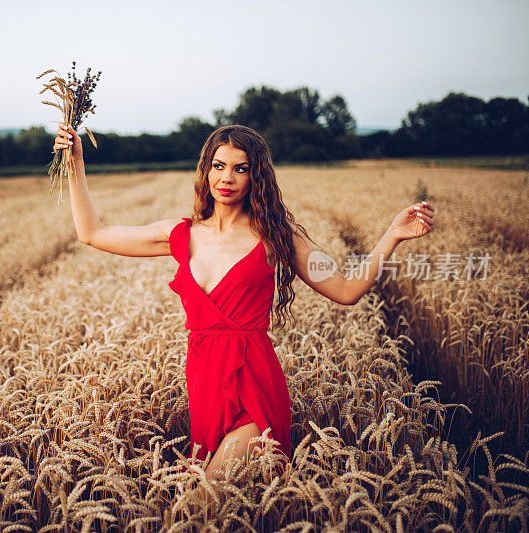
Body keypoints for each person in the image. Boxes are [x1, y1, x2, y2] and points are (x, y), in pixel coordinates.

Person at [52, 122, 435, 482]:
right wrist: (76, 164)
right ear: (206, 171)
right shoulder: (180, 234)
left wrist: (392, 236)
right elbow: (92, 233)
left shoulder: (277, 236)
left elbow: (346, 290)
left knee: (206, 498)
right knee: (221, 509)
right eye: (218, 166)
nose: (227, 178)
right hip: (203, 381)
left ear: (256, 176)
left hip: (254, 382)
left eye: (241, 168)